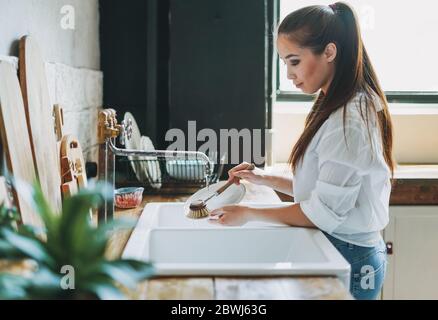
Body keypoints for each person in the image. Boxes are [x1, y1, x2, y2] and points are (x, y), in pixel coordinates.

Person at [209, 2, 394, 300]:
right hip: (341, 249)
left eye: (294, 61)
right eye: (285, 62)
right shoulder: (334, 104)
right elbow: (321, 193)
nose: (289, 74)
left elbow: (322, 213)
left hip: (352, 259)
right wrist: (264, 179)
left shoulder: (351, 120)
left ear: (329, 52)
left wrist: (248, 212)